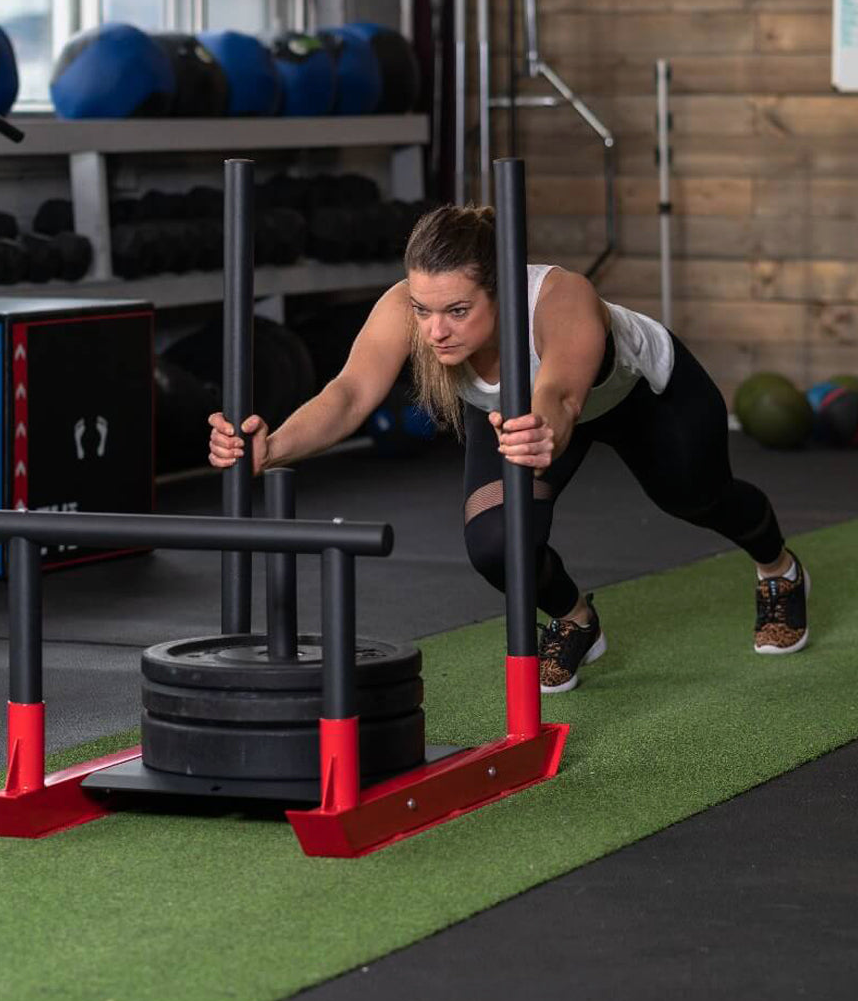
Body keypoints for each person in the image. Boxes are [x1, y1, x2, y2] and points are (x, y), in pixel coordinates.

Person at [209, 203, 809, 693]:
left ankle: (778, 569)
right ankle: (575, 620)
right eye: (423, 310)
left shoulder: (559, 297)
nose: (435, 330)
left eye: (457, 311)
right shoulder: (408, 307)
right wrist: (273, 446)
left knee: (695, 497)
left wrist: (542, 427)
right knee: (496, 542)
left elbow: (563, 393)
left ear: (500, 290)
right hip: (523, 415)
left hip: (640, 398)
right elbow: (349, 394)